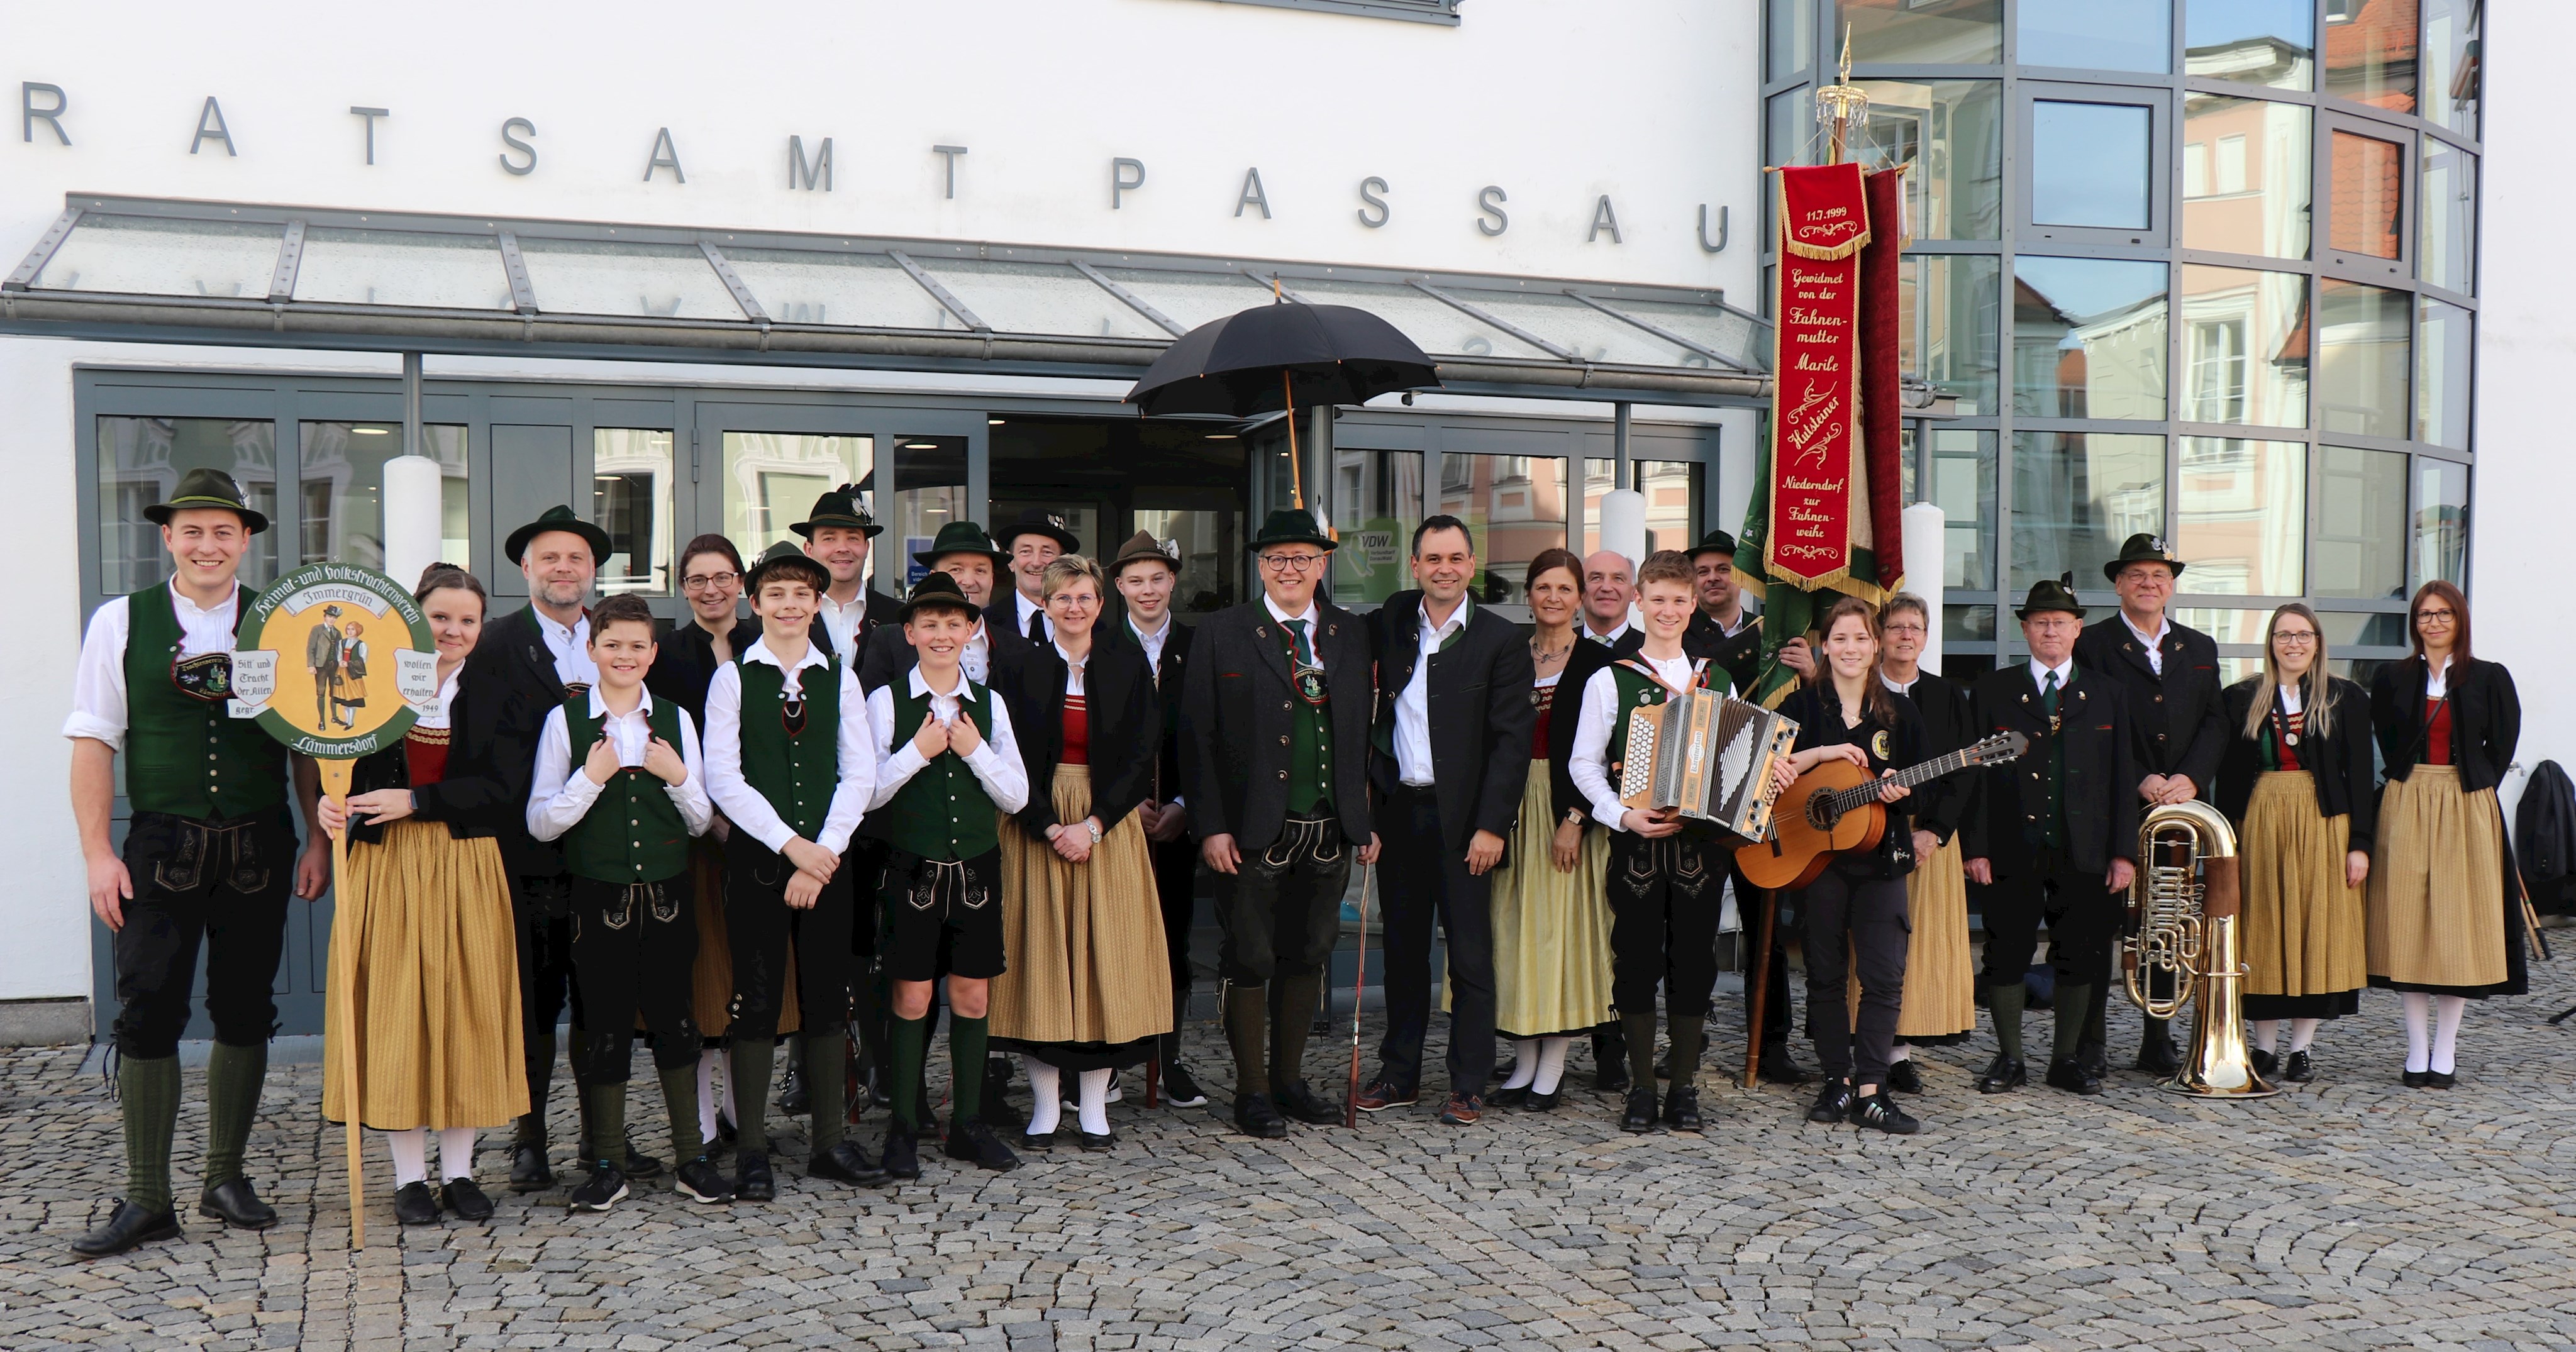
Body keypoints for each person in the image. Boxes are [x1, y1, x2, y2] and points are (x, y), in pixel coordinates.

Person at [65, 468, 331, 1258]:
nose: (207, 544)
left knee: (246, 1007)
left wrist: (317, 836)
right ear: (167, 538)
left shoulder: (281, 621)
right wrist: (95, 854)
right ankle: (148, 1195)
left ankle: (225, 1175)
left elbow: (306, 737)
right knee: (147, 1012)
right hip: (160, 842)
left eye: (223, 531)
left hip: (258, 839)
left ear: (246, 539)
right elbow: (92, 740)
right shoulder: (121, 621)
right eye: (192, 531)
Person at [318, 565, 530, 1227]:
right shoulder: (373, 680)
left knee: (464, 1007)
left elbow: (506, 787)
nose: (455, 630)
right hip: (388, 865)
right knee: (397, 1010)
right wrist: (333, 800)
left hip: (467, 861)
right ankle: (410, 1176)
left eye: (468, 619)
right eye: (441, 617)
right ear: (415, 616)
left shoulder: (500, 688)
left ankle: (461, 1171)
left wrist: (419, 798)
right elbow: (331, 752)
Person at [472, 505, 661, 1191]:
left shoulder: (616, 639)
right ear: (526, 568)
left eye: (575, 558)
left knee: (602, 1001)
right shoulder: (495, 644)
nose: (563, 568)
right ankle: (529, 1136)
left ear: (592, 569)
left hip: (610, 855)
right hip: (530, 854)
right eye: (549, 557)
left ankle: (600, 1135)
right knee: (533, 1003)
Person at [1180, 507, 1380, 1140]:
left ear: (1322, 564)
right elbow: (1195, 737)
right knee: (1249, 956)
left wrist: (1364, 814)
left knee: (1310, 951)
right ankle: (1252, 1089)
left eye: (1302, 557)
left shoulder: (1350, 632)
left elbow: (1364, 731)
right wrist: (1210, 825)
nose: (1289, 568)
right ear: (1259, 566)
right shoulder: (1221, 631)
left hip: (1327, 826)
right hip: (1249, 829)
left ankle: (1290, 1080)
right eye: (1276, 558)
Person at [527, 593, 726, 1211]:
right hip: (597, 898)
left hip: (668, 897)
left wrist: (677, 776)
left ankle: (691, 1158)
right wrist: (592, 776)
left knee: (676, 1024)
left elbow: (700, 822)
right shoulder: (567, 722)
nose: (625, 655)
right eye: (612, 643)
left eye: (638, 645)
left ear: (653, 653)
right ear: (592, 650)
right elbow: (540, 822)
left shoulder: (674, 719)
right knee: (606, 1027)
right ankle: (607, 1161)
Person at [704, 542, 884, 1200]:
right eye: (775, 594)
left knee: (827, 995)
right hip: (759, 861)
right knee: (755, 997)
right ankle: (751, 1148)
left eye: (801, 594)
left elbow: (858, 769)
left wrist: (824, 850)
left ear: (816, 604)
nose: (788, 604)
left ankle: (829, 1141)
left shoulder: (840, 674)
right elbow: (723, 774)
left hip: (830, 860)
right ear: (756, 603)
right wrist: (791, 846)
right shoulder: (732, 677)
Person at [1352, 516, 1535, 1126]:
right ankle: (1399, 1073)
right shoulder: (1392, 621)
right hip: (1400, 812)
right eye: (1432, 558)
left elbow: (1512, 743)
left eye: (1456, 557)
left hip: (1465, 822)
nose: (1445, 568)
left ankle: (1467, 1082)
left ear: (1473, 563)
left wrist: (1492, 825)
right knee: (1403, 952)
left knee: (1469, 956)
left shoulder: (1499, 640)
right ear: (1414, 565)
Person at [992, 555, 1172, 1150]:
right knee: (1041, 961)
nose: (1075, 608)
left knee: (1103, 961)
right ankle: (1045, 1105)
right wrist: (1048, 826)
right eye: (1063, 598)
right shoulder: (1019, 667)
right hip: (1035, 822)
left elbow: (1141, 756)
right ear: (1045, 604)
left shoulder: (1126, 666)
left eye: (1085, 598)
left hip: (1107, 825)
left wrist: (1092, 826)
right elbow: (1005, 754)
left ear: (1102, 604)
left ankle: (1094, 1105)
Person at [865, 571, 1032, 1175]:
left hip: (978, 871)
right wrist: (919, 752)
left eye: (953, 624)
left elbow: (1016, 795)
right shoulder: (884, 702)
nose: (941, 634)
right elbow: (865, 795)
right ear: (909, 632)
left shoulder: (990, 704)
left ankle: (967, 1124)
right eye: (929, 624)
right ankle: (904, 1126)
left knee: (972, 992)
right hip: (912, 868)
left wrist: (972, 749)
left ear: (971, 631)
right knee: (910, 995)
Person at [1567, 550, 1727, 1135]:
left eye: (1679, 601)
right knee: (1634, 964)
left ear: (1692, 606)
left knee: (1695, 966)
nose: (1668, 610)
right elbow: (1583, 765)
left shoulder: (1717, 679)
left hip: (1701, 851)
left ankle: (1683, 1087)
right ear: (1639, 601)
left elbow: (1734, 759)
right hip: (1634, 847)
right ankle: (1639, 1089)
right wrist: (1619, 816)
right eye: (1657, 599)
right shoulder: (1611, 678)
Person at [1963, 575, 2141, 1097]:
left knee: (2080, 952)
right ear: (2025, 629)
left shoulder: (2108, 693)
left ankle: (2066, 1059)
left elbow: (2122, 778)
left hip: (2084, 848)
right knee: (2006, 951)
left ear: (2078, 628)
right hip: (2011, 846)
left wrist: (2123, 853)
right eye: (2041, 623)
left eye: (2060, 623)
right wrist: (1975, 847)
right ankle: (2011, 1057)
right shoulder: (1994, 690)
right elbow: (1973, 775)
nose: (2050, 632)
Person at [648, 533, 791, 1149]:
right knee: (703, 977)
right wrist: (713, 818)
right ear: (683, 587)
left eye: (722, 576)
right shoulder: (670, 653)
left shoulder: (774, 644)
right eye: (697, 579)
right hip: (696, 835)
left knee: (751, 973)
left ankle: (741, 1110)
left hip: (763, 834)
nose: (711, 588)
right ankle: (704, 1119)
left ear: (742, 582)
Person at [2072, 533, 2225, 1078]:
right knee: (2096, 924)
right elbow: (2083, 721)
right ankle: (2087, 1042)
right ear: (2118, 584)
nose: (2149, 583)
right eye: (2137, 575)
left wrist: (2190, 778)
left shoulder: (2199, 647)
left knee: (2165, 918)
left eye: (2159, 575)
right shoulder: (2090, 643)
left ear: (2172, 586)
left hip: (2177, 811)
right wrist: (2139, 779)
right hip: (2111, 805)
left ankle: (2156, 1037)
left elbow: (2216, 721)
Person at [2368, 580, 2523, 1088]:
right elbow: (2388, 739)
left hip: (2464, 800)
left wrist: (2471, 788)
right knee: (2408, 922)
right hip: (2408, 798)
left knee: (2456, 924)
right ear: (2414, 623)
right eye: (2425, 615)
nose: (2433, 623)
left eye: (2443, 614)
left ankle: (2447, 1048)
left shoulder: (2489, 677)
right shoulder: (2393, 676)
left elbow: (2502, 743)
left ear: (2460, 620)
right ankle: (2416, 1047)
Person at [1776, 597, 1921, 1134]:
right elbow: (1767, 776)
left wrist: (1902, 795)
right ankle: (1836, 1080)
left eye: (1861, 638)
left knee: (1884, 977)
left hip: (1881, 864)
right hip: (1817, 864)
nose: (1851, 649)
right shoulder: (1801, 709)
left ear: (1876, 644)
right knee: (1826, 975)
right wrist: (1820, 755)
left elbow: (1924, 790)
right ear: (1825, 646)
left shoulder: (1901, 714)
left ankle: (1872, 1088)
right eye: (1840, 639)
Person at [2214, 604, 2375, 1083]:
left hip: (2325, 821)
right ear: (2271, 643)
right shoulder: (2241, 697)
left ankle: (2301, 1048)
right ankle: (2263, 1047)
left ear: (2318, 642)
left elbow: (2362, 775)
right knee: (2262, 925)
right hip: (2260, 815)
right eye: (2284, 635)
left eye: (2303, 635)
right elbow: (2228, 775)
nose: (2294, 644)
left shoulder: (2345, 697)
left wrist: (2360, 843)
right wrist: (2229, 839)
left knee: (2313, 928)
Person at [1484, 548, 1613, 1111]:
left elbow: (1609, 753)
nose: (1554, 598)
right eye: (1543, 588)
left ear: (1580, 598)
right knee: (1514, 933)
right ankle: (1526, 1058)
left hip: (1567, 811)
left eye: (1565, 589)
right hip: (1512, 805)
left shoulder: (1598, 663)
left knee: (1558, 934)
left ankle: (1553, 1064)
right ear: (1529, 595)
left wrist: (1575, 819)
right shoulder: (1510, 653)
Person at [1111, 530, 1207, 1109]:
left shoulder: (1202, 646)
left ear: (1173, 580)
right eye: (1135, 580)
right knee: (1117, 939)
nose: (1147, 590)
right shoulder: (1098, 645)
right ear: (1118, 586)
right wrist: (1120, 808)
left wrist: (1185, 808)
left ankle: (1168, 1058)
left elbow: (1214, 738)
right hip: (1116, 824)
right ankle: (1117, 1059)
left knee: (1172, 941)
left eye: (1157, 578)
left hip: (1176, 822)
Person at [1872, 594, 1980, 1091]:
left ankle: (1900, 1054)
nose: (1906, 636)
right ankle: (1866, 1047)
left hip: (1930, 836)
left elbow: (1963, 774)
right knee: (1872, 943)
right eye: (1896, 627)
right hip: (1868, 831)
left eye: (1915, 627)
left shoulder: (1948, 697)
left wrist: (1933, 833)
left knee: (1915, 945)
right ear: (1881, 635)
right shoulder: (1861, 691)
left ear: (1926, 634)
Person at [860, 521, 1030, 692]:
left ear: (992, 579)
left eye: (980, 571)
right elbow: (873, 709)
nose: (969, 581)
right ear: (933, 577)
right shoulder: (891, 642)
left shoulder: (1019, 648)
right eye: (956, 570)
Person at [796, 485, 901, 663]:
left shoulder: (897, 616)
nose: (842, 548)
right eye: (829, 538)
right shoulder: (790, 613)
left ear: (867, 548)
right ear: (809, 549)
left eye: (853, 538)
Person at [996, 508, 1081, 646]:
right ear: (1011, 562)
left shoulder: (1090, 626)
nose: (1036, 562)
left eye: (1047, 552)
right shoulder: (987, 622)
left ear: (1062, 562)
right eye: (1026, 552)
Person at [1577, 550, 1636, 648]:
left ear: (1634, 592)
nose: (1606, 588)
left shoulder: (1650, 653)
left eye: (1618, 579)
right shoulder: (1557, 650)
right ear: (1580, 590)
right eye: (1596, 578)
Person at [334, 619, 370, 726]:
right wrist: (340, 662)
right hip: (342, 672)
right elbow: (339, 654)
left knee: (352, 699)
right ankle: (347, 720)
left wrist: (349, 663)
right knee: (344, 699)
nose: (350, 631)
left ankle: (351, 721)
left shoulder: (362, 645)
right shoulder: (342, 642)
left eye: (353, 629)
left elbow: (363, 660)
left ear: (357, 631)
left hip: (353, 673)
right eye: (348, 629)